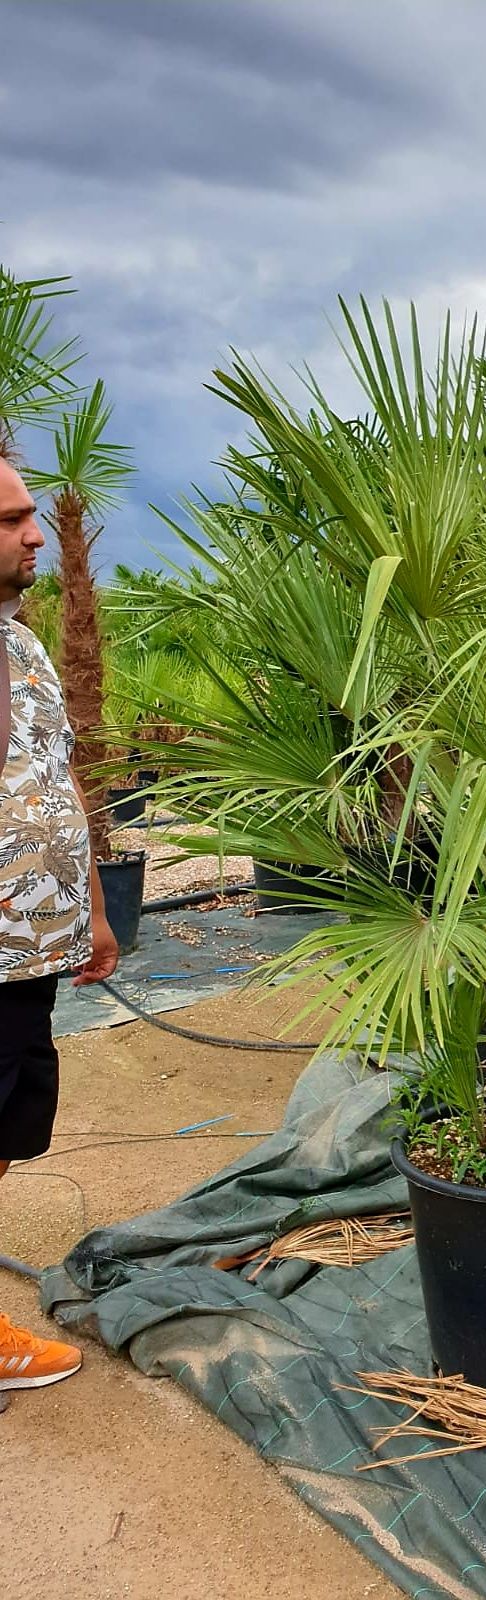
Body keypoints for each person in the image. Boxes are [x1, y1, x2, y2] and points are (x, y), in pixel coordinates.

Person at [0, 453, 119, 1392]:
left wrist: (97, 912)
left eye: (31, 515)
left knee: (7, 1132)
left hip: (32, 952)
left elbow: (59, 778)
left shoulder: (23, 645)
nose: (35, 534)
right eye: (10, 520)